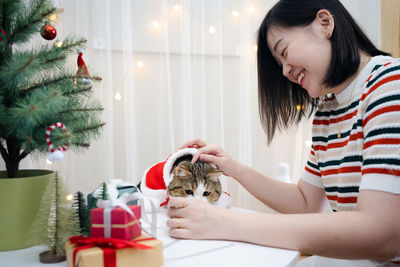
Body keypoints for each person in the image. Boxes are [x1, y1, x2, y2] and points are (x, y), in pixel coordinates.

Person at [166, 0, 400, 266]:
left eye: (284, 52)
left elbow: (383, 235)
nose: (286, 71)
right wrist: (232, 168)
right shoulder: (328, 112)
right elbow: (304, 202)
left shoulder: (389, 85)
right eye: (279, 64)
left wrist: (224, 222)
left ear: (325, 23)